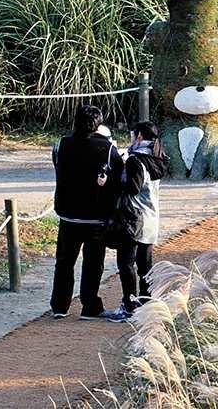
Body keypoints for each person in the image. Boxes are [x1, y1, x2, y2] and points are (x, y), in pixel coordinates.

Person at [50, 104, 125, 321]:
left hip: (68, 213)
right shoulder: (108, 148)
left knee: (64, 261)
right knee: (93, 263)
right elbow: (118, 178)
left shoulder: (61, 144)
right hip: (96, 216)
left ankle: (59, 305)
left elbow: (57, 165)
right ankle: (89, 304)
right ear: (98, 124)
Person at [110, 121, 167, 315]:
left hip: (134, 218)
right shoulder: (157, 157)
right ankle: (146, 302)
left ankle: (129, 304)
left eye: (133, 135)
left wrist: (113, 180)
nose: (132, 138)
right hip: (151, 218)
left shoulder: (136, 160)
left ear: (140, 136)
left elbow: (132, 187)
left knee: (126, 263)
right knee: (145, 265)